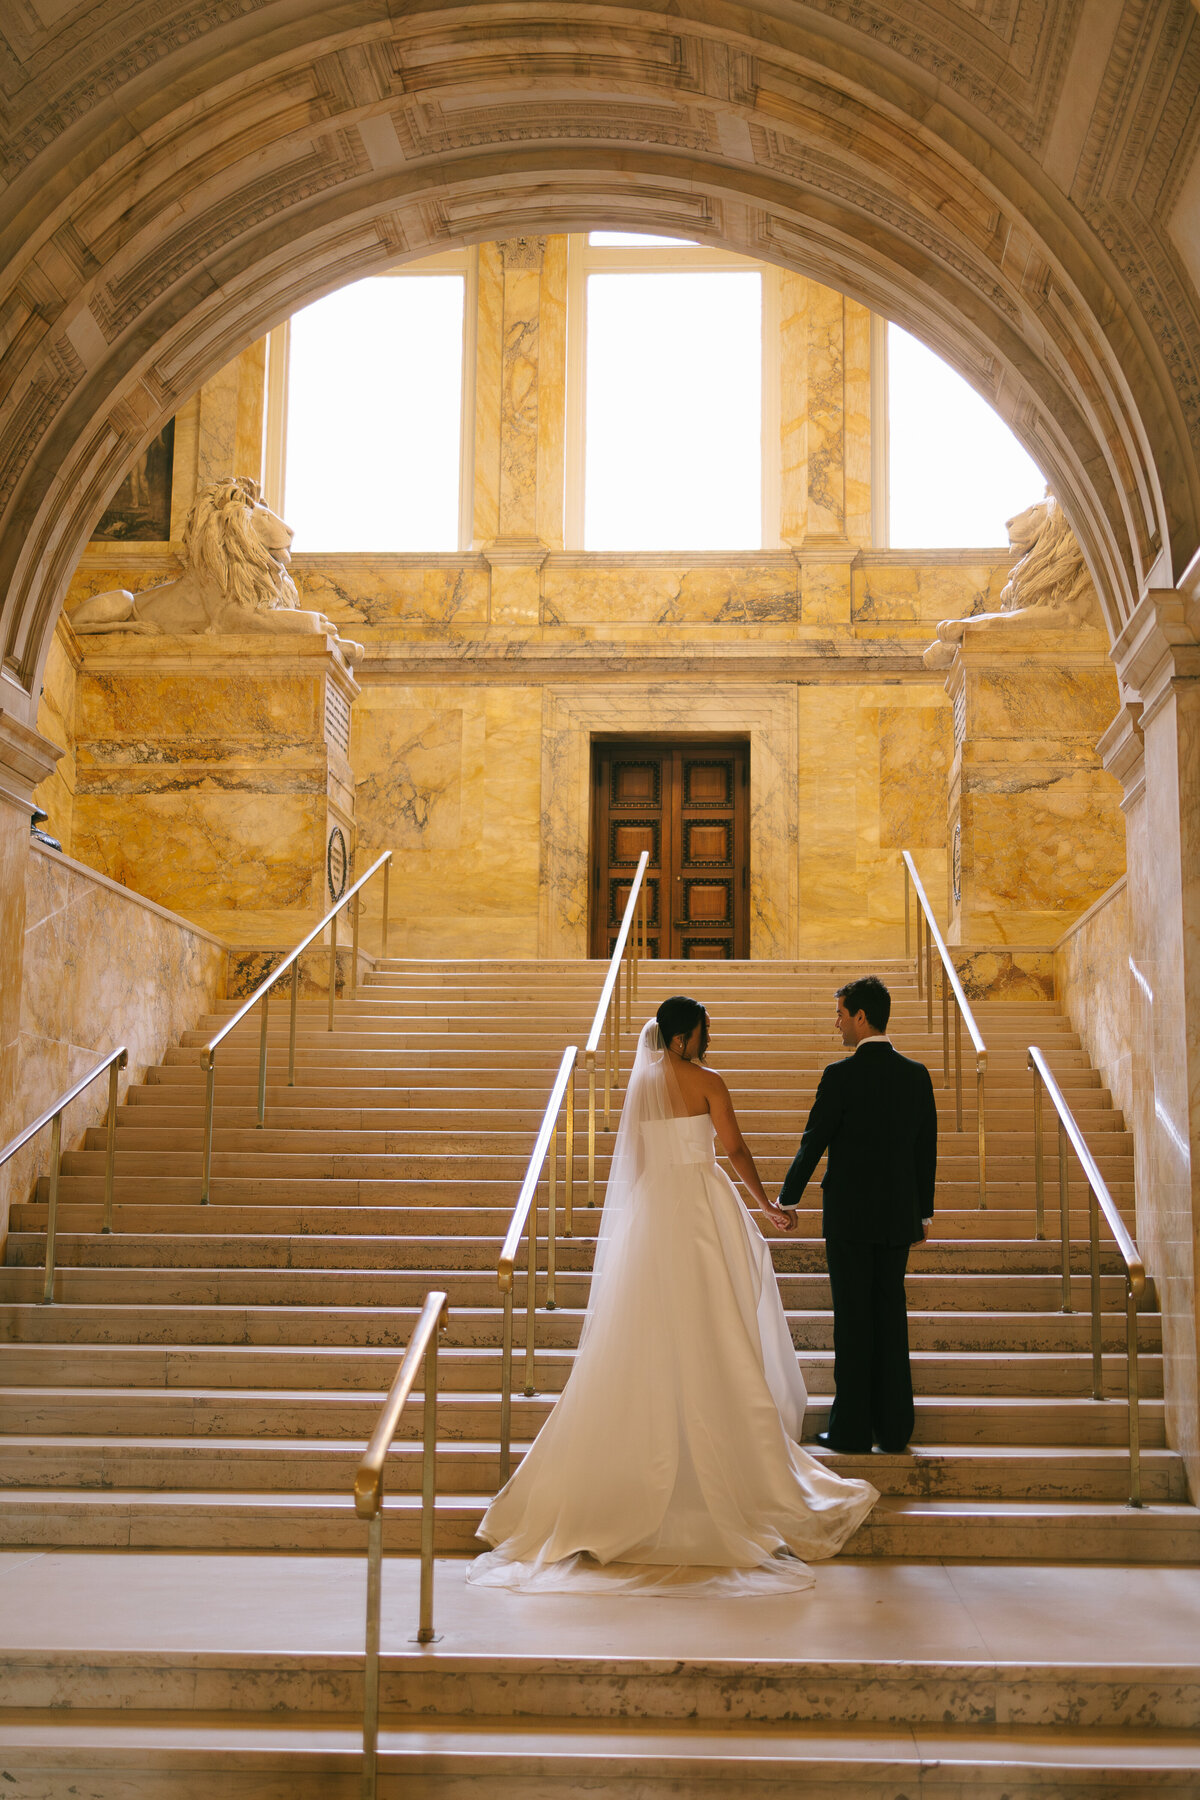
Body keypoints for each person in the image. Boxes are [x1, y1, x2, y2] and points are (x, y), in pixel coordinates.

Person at [467, 995, 878, 1597]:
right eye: (703, 1031)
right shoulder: (708, 1081)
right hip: (701, 1208)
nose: (706, 1040)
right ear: (685, 1036)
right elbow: (733, 1149)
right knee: (715, 1325)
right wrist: (765, 1206)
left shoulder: (640, 1087)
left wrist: (636, 1226)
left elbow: (630, 1164)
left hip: (655, 1212)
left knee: (646, 1335)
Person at [777, 975, 937, 1455]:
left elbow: (814, 1141)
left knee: (852, 1318)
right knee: (890, 1314)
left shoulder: (839, 1075)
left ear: (861, 1017)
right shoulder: (916, 1074)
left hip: (848, 1217)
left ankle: (849, 1431)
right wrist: (923, 1214)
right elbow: (924, 1150)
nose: (837, 1024)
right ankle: (893, 1429)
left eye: (842, 1014)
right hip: (896, 1218)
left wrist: (788, 1199)